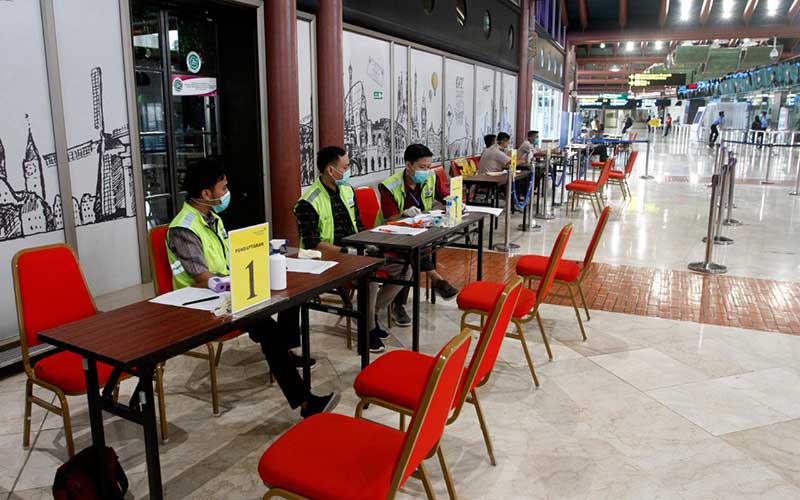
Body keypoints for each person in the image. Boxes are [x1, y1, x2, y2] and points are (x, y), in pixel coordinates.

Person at [166, 158, 337, 418]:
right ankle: (304, 402)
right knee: (266, 327)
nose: (227, 193)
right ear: (205, 193)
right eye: (223, 188)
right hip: (200, 302)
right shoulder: (184, 228)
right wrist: (235, 283)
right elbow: (202, 277)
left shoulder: (212, 218)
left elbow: (227, 258)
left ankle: (284, 351)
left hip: (226, 291)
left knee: (290, 295)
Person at [293, 146, 411, 353]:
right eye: (345, 166)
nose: (349, 170)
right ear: (331, 170)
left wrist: (370, 244)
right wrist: (347, 253)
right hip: (328, 258)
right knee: (370, 278)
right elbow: (313, 243)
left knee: (405, 268)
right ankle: (369, 328)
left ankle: (368, 312)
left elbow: (358, 224)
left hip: (357, 250)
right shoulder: (308, 201)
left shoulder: (347, 190)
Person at [380, 144, 460, 306]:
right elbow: (390, 218)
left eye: (429, 166)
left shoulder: (430, 177)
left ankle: (400, 306)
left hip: (419, 232)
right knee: (412, 254)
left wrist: (455, 202)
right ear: (408, 165)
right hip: (392, 234)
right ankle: (437, 280)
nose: (426, 171)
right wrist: (404, 213)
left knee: (416, 250)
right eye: (422, 167)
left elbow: (443, 195)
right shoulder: (388, 185)